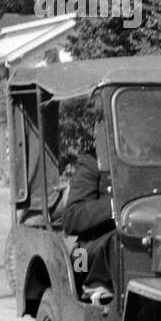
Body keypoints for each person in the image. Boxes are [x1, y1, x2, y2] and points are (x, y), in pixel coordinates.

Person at [61, 97, 116, 304]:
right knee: (116, 243)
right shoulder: (92, 163)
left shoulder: (146, 160)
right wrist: (113, 207)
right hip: (85, 254)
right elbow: (70, 219)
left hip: (127, 245)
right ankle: (94, 288)